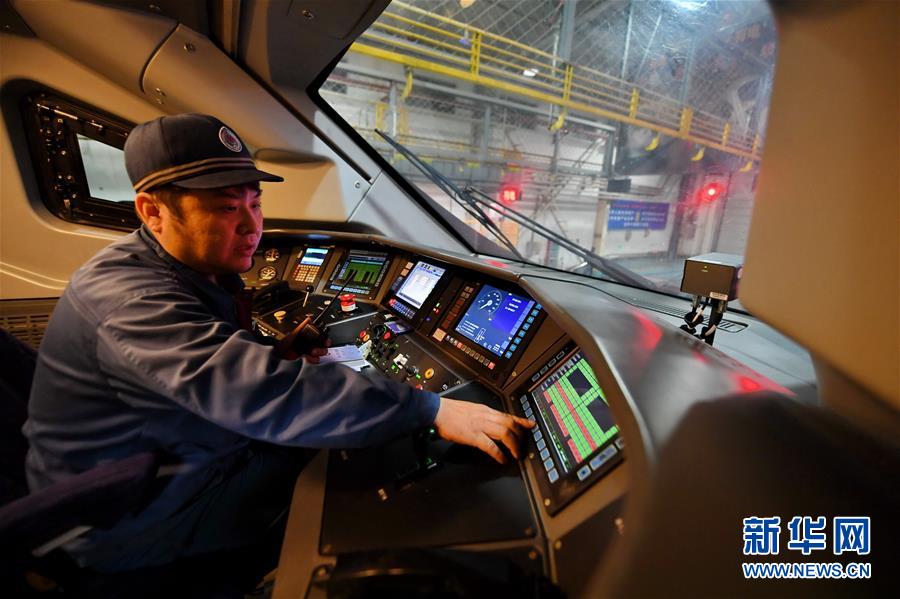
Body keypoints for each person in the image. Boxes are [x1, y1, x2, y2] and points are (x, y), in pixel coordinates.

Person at [22, 114, 533, 583]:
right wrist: (431, 409)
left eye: (255, 203)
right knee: (350, 481)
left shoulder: (181, 269)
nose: (252, 227)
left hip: (158, 459)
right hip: (128, 516)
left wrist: (278, 351)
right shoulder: (130, 300)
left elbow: (212, 361)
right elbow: (263, 391)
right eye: (227, 208)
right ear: (153, 212)